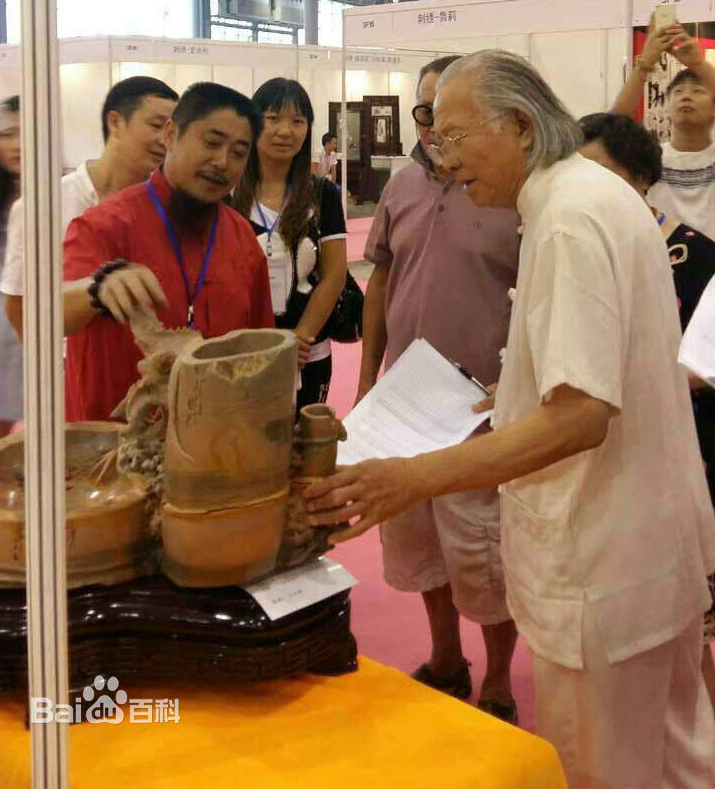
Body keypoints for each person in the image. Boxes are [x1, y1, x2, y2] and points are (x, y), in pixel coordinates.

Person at [305, 51, 715, 789]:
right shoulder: (590, 195)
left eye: (457, 137)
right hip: (646, 553)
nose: (444, 157)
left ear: (521, 125)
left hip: (601, 565)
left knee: (604, 769)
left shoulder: (567, 220)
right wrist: (519, 387)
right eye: (436, 137)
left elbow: (579, 419)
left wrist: (410, 479)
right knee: (677, 759)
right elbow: (608, 369)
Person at [357, 56, 520, 715]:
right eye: (425, 112)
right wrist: (367, 380)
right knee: (418, 541)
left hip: (483, 407)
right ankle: (446, 657)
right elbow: (380, 281)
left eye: (449, 115)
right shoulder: (400, 186)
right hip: (403, 404)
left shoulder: (511, 191)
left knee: (487, 552)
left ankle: (500, 678)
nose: (433, 127)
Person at [579, 110, 715, 709]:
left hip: (682, 442)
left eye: (599, 174)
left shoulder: (696, 254)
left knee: (685, 610)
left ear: (640, 181)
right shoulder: (574, 245)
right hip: (598, 448)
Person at [62, 82, 273, 422]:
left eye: (238, 153)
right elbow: (53, 315)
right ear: (172, 135)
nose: (222, 162)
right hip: (117, 445)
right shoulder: (105, 225)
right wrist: (98, 287)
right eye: (212, 142)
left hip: (213, 438)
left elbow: (261, 345)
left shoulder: (242, 238)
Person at [0, 75, 179, 339]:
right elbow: (20, 312)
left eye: (172, 132)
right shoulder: (41, 205)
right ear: (115, 122)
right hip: (66, 359)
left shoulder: (171, 208)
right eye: (155, 125)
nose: (164, 141)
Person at [232, 79, 346, 413]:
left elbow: (334, 274)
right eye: (272, 119)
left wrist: (300, 337)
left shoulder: (323, 194)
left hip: (307, 353)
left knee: (305, 440)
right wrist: (260, 343)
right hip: (242, 353)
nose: (285, 131)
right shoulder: (228, 195)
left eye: (297, 121)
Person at [613, 17, 715, 239]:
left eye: (697, 91)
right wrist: (644, 66)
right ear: (666, 106)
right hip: (661, 255)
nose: (686, 96)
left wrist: (697, 63)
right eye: (678, 92)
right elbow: (611, 130)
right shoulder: (651, 158)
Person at [0, 99, 22, 438]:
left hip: (37, 330)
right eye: (6, 134)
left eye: (23, 133)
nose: (17, 144)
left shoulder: (62, 193)